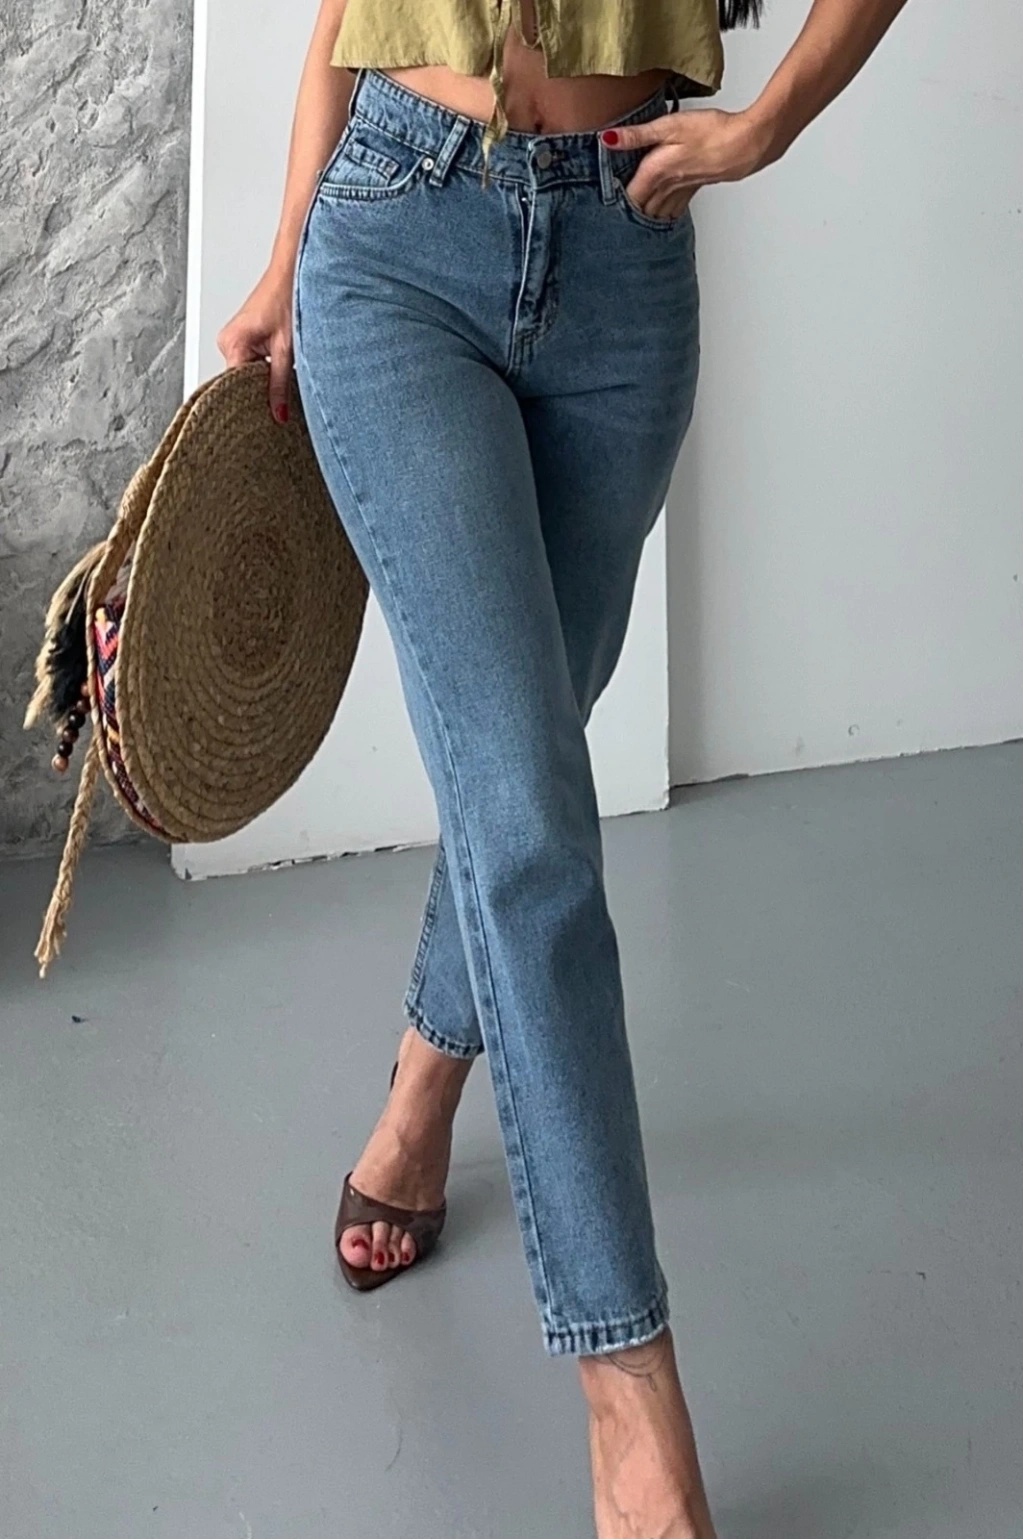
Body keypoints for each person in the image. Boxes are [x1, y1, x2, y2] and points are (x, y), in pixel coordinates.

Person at [217, 3, 911, 1533]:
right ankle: (630, 1391)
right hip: (396, 239)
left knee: (524, 762)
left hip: (621, 267)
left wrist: (768, 125)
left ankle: (424, 1080)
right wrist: (280, 257)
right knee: (530, 819)